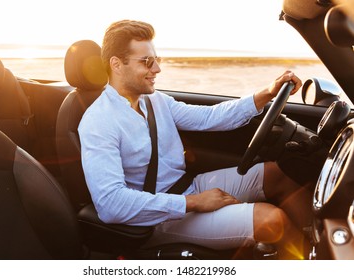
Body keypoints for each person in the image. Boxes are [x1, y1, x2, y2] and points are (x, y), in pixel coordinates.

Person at [78, 19, 311, 260]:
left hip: (187, 188)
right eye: (147, 61)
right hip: (157, 218)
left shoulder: (155, 100)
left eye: (157, 60)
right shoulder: (99, 122)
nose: (157, 69)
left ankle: (321, 245)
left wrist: (267, 93)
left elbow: (209, 117)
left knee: (279, 174)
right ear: (116, 64)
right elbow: (111, 204)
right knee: (272, 220)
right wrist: (192, 202)